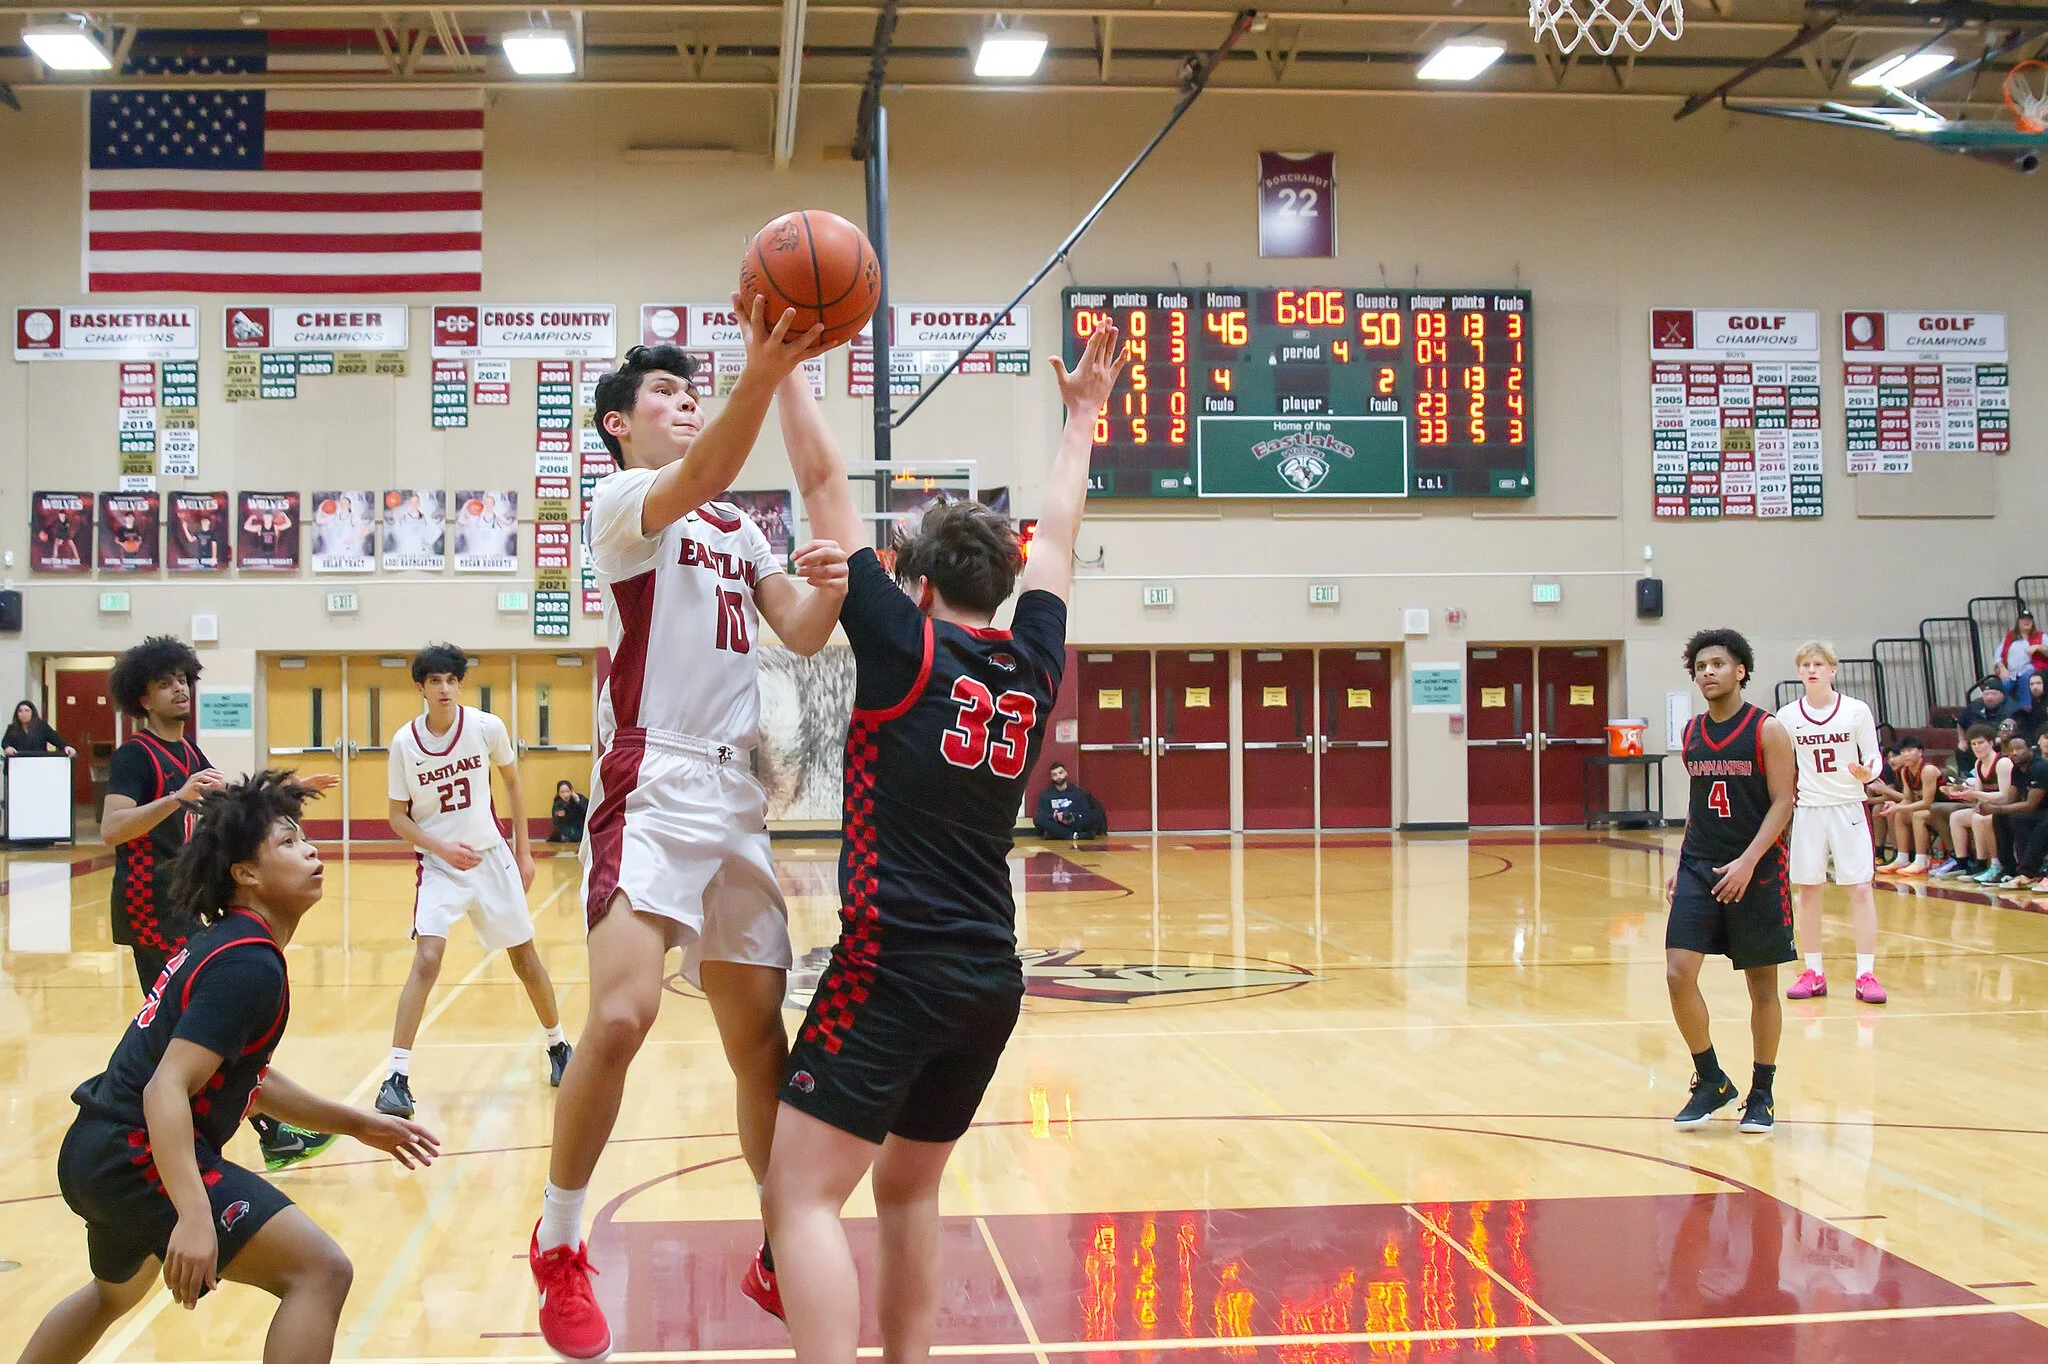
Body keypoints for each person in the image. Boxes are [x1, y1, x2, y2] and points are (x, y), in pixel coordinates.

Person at [754, 322, 1127, 1364]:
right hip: (985, 976)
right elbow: (1056, 537)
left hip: (894, 964)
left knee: (801, 1196)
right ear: (999, 583)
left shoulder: (904, 638)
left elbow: (824, 478)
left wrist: (782, 369)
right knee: (907, 1186)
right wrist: (1083, 419)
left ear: (914, 581)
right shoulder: (1032, 657)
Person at [529, 305, 852, 1364]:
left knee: (762, 1045)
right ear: (620, 426)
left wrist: (833, 580)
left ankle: (775, 1242)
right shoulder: (623, 504)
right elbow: (708, 468)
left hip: (735, 795)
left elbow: (799, 630)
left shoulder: (737, 527)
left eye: (687, 390)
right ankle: (560, 1239)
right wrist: (767, 370)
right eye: (662, 395)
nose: (682, 403)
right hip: (652, 777)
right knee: (618, 1017)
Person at [17, 771, 440, 1364]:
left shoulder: (229, 943)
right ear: (246, 875)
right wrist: (193, 1214)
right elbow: (167, 1086)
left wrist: (356, 1123)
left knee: (115, 1294)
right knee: (319, 1272)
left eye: (305, 839)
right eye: (289, 844)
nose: (311, 850)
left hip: (96, 1149)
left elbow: (249, 1082)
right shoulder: (248, 964)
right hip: (135, 1152)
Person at [102, 636, 339, 1172]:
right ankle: (206, 1132)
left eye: (183, 678)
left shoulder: (189, 751)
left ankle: (261, 1129)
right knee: (196, 1026)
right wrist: (173, 799)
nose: (179, 688)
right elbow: (112, 829)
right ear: (142, 698)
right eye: (165, 682)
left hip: (183, 902)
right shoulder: (132, 757)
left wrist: (291, 788)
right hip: (148, 904)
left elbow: (227, 803)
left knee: (205, 1026)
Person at [375, 644, 571, 1120]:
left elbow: (514, 784)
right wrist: (440, 849)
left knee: (525, 958)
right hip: (441, 866)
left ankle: (560, 1047)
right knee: (428, 958)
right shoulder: (405, 743)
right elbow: (397, 819)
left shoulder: (486, 727)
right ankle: (396, 1076)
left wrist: (523, 852)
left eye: (451, 680)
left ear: (459, 684)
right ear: (420, 687)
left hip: (489, 858)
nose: (445, 689)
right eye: (435, 681)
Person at [1665, 628, 1796, 1136]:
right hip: (1701, 863)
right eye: (1700, 667)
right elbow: (1698, 807)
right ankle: (1711, 1079)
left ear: (1740, 670)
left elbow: (1784, 802)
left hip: (1757, 868)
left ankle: (1762, 1090)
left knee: (1761, 985)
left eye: (1718, 664)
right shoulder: (1693, 732)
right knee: (1679, 972)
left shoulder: (1767, 730)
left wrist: (1747, 862)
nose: (1708, 673)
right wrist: (1681, 863)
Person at [1777, 643, 1886, 1006]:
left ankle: (1866, 973)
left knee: (1860, 889)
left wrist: (1868, 771)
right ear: (1799, 671)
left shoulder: (1856, 711)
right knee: (1808, 891)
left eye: (1819, 664)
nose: (1812, 669)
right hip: (1808, 809)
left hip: (1848, 807)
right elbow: (1780, 763)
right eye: (1806, 664)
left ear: (1832, 670)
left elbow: (1873, 755)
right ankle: (1813, 971)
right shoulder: (1787, 715)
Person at [1934, 725, 2012, 882]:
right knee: (1957, 817)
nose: (1977, 747)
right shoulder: (1978, 764)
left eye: (1980, 743)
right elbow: (1979, 797)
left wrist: (1975, 794)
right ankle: (1962, 862)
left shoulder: (2002, 763)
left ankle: (1988, 864)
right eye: (1973, 744)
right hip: (1989, 808)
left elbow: (2005, 795)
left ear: (1991, 743)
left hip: (2005, 808)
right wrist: (1960, 793)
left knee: (1979, 818)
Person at [1871, 737, 1941, 877]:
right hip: (1927, 810)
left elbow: (1927, 802)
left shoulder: (1928, 769)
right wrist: (1895, 806)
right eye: (1903, 751)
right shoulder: (1905, 771)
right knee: (1899, 814)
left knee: (1915, 815)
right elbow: (1907, 799)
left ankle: (1921, 860)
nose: (1906, 754)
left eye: (1910, 750)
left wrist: (1899, 807)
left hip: (1941, 809)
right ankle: (1902, 858)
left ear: (1920, 752)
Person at [1032, 763, 1107, 840]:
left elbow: (1085, 811)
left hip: (1075, 822)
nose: (1058, 776)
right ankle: (1076, 835)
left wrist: (1073, 816)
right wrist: (1055, 816)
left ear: (1066, 773)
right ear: (1051, 777)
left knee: (1095, 815)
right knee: (1038, 820)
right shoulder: (1046, 795)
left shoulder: (1078, 793)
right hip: (1057, 824)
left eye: (1060, 773)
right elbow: (1043, 814)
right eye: (1055, 774)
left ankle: (1057, 835)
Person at [1996, 610, 2048, 694]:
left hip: (2034, 670)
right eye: (2023, 619)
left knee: (2027, 677)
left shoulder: (2041, 636)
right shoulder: (2009, 636)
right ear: (2018, 622)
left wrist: (2039, 647)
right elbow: (1998, 656)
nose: (2026, 621)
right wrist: (2002, 668)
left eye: (2029, 620)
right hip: (2011, 673)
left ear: (2033, 622)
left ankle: (2026, 706)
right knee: (2001, 686)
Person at [5, 699, 76, 757]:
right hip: (17, 765)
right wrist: (8, 748)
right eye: (20, 711)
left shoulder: (42, 726)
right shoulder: (12, 728)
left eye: (27, 711)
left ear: (32, 713)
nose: (24, 714)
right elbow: (5, 742)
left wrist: (66, 746)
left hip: (39, 763)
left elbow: (55, 738)